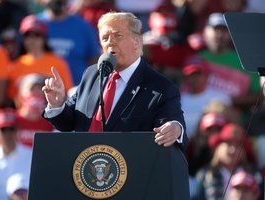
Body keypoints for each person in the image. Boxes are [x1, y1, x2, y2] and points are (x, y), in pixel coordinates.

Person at [42, 11, 188, 152]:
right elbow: (70, 123)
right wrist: (57, 105)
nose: (110, 42)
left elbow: (173, 122)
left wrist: (175, 128)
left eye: (118, 36)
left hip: (129, 172)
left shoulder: (160, 87)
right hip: (84, 168)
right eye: (105, 38)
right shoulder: (92, 74)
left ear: (137, 41)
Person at [8, 14, 74, 98]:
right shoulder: (15, 66)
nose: (32, 40)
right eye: (28, 35)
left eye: (37, 35)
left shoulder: (58, 63)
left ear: (44, 38)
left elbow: (67, 92)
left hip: (51, 109)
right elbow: (13, 97)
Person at [37, 0, 101, 85]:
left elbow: (94, 60)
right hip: (40, 91)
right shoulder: (33, 26)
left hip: (76, 90)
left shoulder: (83, 27)